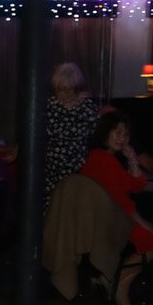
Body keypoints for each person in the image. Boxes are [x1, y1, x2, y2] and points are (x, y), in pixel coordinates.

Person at [80, 111, 153, 305]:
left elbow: (135, 186)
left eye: (126, 134)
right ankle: (118, 280)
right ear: (105, 133)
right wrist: (142, 222)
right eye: (117, 132)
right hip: (110, 219)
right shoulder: (103, 159)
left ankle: (114, 278)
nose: (122, 138)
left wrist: (132, 160)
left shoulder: (107, 158)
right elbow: (119, 199)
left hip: (112, 216)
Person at [43, 61, 100, 209]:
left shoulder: (86, 107)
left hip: (78, 171)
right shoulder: (49, 107)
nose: (63, 94)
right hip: (51, 172)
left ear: (76, 88)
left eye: (67, 90)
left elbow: (97, 136)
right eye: (59, 90)